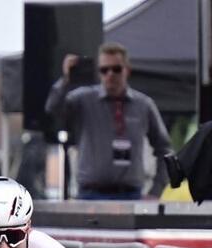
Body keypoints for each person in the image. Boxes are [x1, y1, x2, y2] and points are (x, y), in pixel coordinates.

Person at [45, 42, 173, 200]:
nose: (110, 74)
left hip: (131, 194)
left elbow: (165, 149)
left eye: (116, 69)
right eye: (104, 70)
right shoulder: (82, 100)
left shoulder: (143, 105)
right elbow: (53, 111)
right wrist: (65, 79)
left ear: (127, 70)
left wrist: (156, 190)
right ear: (99, 73)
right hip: (90, 194)